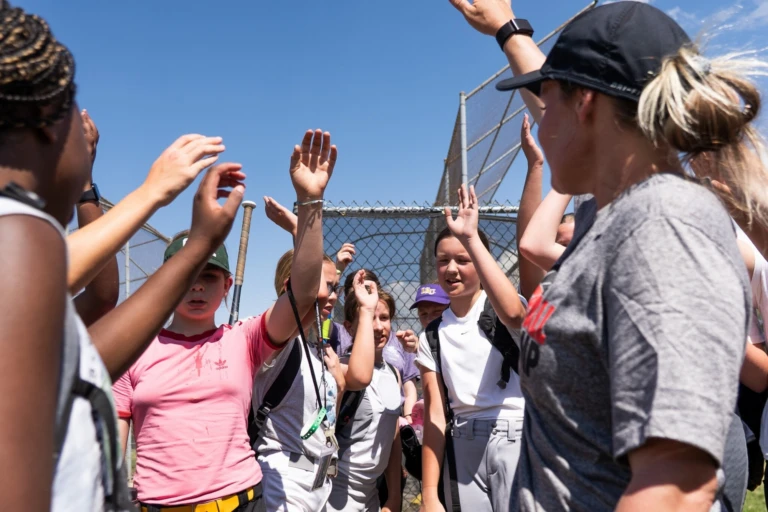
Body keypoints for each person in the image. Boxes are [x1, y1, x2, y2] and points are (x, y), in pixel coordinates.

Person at [450, 0, 761, 510]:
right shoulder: (613, 214)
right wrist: (506, 29)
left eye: (547, 106)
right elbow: (570, 113)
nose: (541, 128)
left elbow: (677, 485)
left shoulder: (663, 226)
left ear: (586, 107)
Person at [0, 3, 246, 510]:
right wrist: (159, 199)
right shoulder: (17, 238)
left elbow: (88, 348)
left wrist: (194, 241)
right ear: (50, 126)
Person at [110, 129, 335, 512]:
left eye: (209, 277)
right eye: (187, 275)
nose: (197, 287)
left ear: (226, 284)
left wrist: (309, 201)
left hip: (239, 501)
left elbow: (303, 293)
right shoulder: (134, 349)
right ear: (168, 280)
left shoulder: (244, 340)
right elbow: (114, 447)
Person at [417, 185, 528, 512]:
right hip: (462, 446)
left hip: (516, 437)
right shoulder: (431, 337)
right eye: (443, 261)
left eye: (463, 259)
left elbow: (515, 315)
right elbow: (436, 416)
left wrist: (472, 238)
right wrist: (428, 494)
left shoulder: (502, 308)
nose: (451, 269)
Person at [253, 253, 376, 511]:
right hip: (284, 482)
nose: (334, 296)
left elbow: (361, 375)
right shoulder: (278, 345)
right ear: (293, 286)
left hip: (317, 480)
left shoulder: (313, 352)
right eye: (328, 286)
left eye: (336, 288)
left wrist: (366, 310)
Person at [327, 289, 403, 512]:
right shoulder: (341, 369)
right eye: (370, 318)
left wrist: (394, 497)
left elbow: (393, 437)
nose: (379, 327)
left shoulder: (393, 373)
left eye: (385, 318)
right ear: (349, 327)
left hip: (371, 496)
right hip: (337, 493)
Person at [395, 284, 450, 355]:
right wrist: (418, 348)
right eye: (424, 314)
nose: (429, 320)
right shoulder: (424, 341)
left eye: (437, 312)